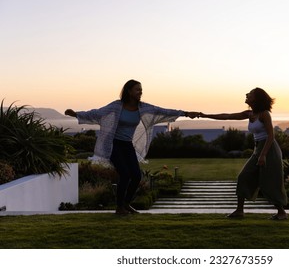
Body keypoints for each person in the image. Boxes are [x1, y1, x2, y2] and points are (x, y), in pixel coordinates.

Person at [65, 79, 199, 215]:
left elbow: (162, 111)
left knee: (136, 176)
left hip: (127, 146)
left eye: (141, 89)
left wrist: (186, 113)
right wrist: (76, 114)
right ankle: (119, 208)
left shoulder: (143, 108)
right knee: (125, 174)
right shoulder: (117, 106)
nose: (141, 92)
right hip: (114, 145)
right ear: (129, 91)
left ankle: (126, 204)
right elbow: (97, 113)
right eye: (137, 89)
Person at [199, 88, 288, 220]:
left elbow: (271, 136)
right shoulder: (250, 113)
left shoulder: (264, 114)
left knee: (270, 181)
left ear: (256, 98)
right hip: (258, 149)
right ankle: (239, 211)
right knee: (243, 177)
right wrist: (204, 115)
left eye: (250, 94)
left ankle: (281, 213)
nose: (247, 95)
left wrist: (263, 155)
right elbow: (227, 116)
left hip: (269, 150)